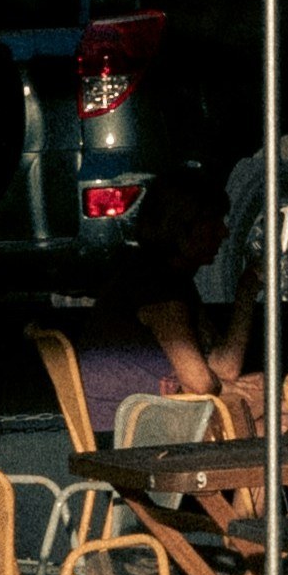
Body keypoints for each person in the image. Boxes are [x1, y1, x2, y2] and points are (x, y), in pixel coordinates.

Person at [72, 172, 259, 431]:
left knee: (268, 392)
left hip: (160, 416)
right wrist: (225, 387)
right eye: (213, 222)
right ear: (181, 226)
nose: (224, 232)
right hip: (133, 433)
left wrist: (247, 291)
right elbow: (201, 384)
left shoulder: (176, 280)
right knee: (281, 414)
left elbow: (225, 369)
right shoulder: (153, 284)